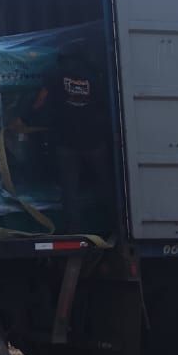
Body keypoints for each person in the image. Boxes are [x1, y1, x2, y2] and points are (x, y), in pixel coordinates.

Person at [31, 41, 113, 232]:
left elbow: (40, 101)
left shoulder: (54, 73)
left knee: (70, 189)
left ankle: (73, 229)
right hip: (94, 140)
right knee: (105, 183)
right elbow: (105, 104)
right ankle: (112, 224)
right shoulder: (94, 75)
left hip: (66, 141)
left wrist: (26, 117)